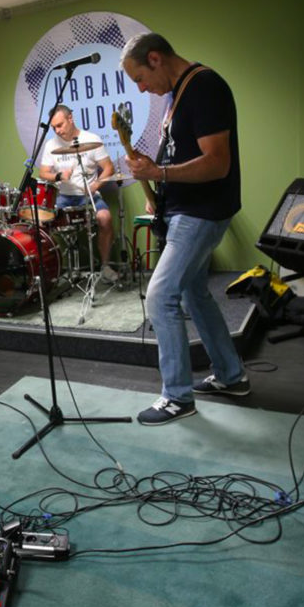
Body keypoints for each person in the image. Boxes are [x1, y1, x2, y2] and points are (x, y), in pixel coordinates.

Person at [121, 33, 249, 426]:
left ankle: (177, 397)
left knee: (160, 296)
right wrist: (157, 184)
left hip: (202, 213)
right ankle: (231, 376)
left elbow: (217, 163)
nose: (142, 88)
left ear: (156, 59)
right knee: (194, 294)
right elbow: (183, 155)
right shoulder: (177, 97)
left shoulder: (205, 87)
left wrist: (159, 172)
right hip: (184, 208)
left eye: (140, 78)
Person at [38, 104, 119, 282]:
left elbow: (109, 168)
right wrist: (59, 175)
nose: (57, 131)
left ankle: (105, 267)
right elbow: (43, 173)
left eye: (60, 125)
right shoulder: (51, 144)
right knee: (41, 223)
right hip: (64, 197)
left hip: (89, 195)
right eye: (54, 128)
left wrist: (95, 185)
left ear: (70, 119)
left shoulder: (91, 139)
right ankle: (50, 270)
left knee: (105, 218)